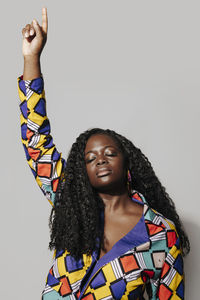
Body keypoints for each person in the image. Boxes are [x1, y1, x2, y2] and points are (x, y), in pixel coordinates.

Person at [18, 7, 190, 300]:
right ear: (82, 170)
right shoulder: (69, 200)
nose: (99, 158)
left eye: (110, 152)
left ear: (128, 163)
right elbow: (36, 142)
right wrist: (31, 58)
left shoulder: (161, 234)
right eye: (90, 157)